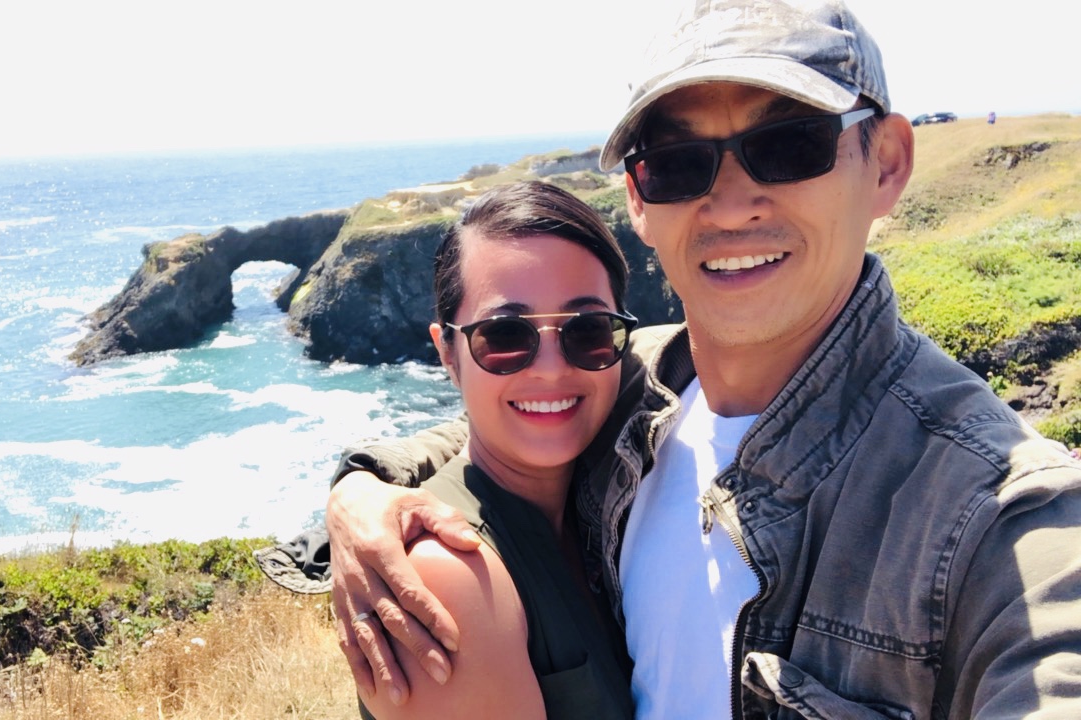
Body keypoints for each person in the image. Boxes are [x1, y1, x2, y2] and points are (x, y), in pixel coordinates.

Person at [322, 1, 1081, 718]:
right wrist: (360, 488)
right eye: (679, 163)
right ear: (638, 200)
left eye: (789, 146)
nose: (731, 205)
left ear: (885, 163)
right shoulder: (637, 384)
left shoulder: (998, 517)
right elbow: (521, 415)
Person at [356, 181, 639, 719]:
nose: (552, 369)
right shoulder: (447, 574)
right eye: (505, 335)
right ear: (447, 352)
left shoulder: (603, 510)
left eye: (588, 330)